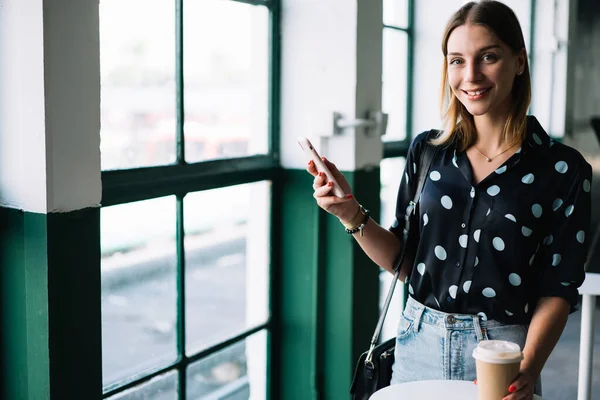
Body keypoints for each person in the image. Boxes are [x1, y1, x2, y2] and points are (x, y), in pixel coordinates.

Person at [306, 1, 592, 399]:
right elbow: (404, 260)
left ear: (519, 61)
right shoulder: (427, 152)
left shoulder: (563, 170)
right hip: (417, 341)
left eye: (488, 57)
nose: (470, 75)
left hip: (504, 352)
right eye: (457, 60)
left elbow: (558, 288)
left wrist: (529, 365)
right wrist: (349, 213)